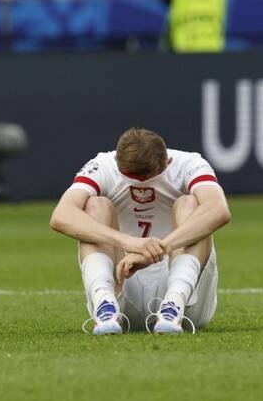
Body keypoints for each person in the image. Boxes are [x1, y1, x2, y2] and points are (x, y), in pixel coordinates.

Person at [48, 127, 230, 335]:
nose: (140, 183)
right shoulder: (102, 165)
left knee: (190, 204)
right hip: (123, 282)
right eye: (130, 177)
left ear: (167, 162)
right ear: (117, 162)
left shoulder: (189, 164)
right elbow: (61, 215)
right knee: (95, 206)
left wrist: (158, 249)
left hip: (186, 298)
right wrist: (128, 242)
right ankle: (105, 304)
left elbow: (219, 210)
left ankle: (174, 303)